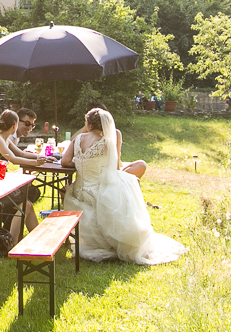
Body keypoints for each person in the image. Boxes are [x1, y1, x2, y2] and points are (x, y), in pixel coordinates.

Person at [61, 108, 184, 264]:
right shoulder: (107, 142)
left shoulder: (77, 139)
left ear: (88, 124)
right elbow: (115, 168)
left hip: (79, 190)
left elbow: (64, 162)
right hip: (99, 189)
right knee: (129, 184)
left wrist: (80, 163)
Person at [0, 109, 49, 243]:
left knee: (27, 201)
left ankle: (38, 241)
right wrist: (35, 163)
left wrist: (41, 157)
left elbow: (21, 154)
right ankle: (13, 242)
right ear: (14, 125)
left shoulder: (3, 137)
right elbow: (13, 159)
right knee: (26, 202)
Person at [76, 102, 147, 179]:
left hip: (111, 167)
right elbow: (72, 140)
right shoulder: (87, 134)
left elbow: (115, 161)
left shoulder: (114, 133)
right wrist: (87, 127)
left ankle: (123, 180)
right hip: (94, 169)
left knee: (141, 164)